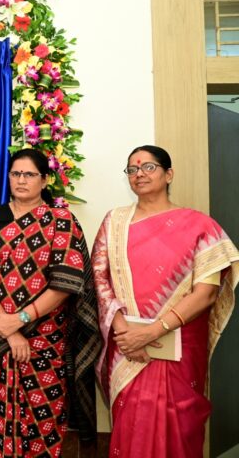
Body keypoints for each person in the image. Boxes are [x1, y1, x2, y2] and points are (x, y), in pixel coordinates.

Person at [91, 145, 239, 457]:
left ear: (168, 174)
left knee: (179, 426)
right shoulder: (114, 222)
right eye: (132, 169)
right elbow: (100, 280)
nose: (139, 174)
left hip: (179, 347)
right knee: (132, 424)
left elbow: (207, 293)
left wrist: (153, 331)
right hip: (129, 347)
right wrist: (125, 333)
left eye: (148, 167)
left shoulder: (200, 226)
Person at [0, 148, 101, 457]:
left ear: (45, 179)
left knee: (43, 411)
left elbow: (66, 284)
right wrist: (9, 329)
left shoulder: (61, 221)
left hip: (45, 337)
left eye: (29, 174)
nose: (21, 180)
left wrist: (23, 319)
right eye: (15, 174)